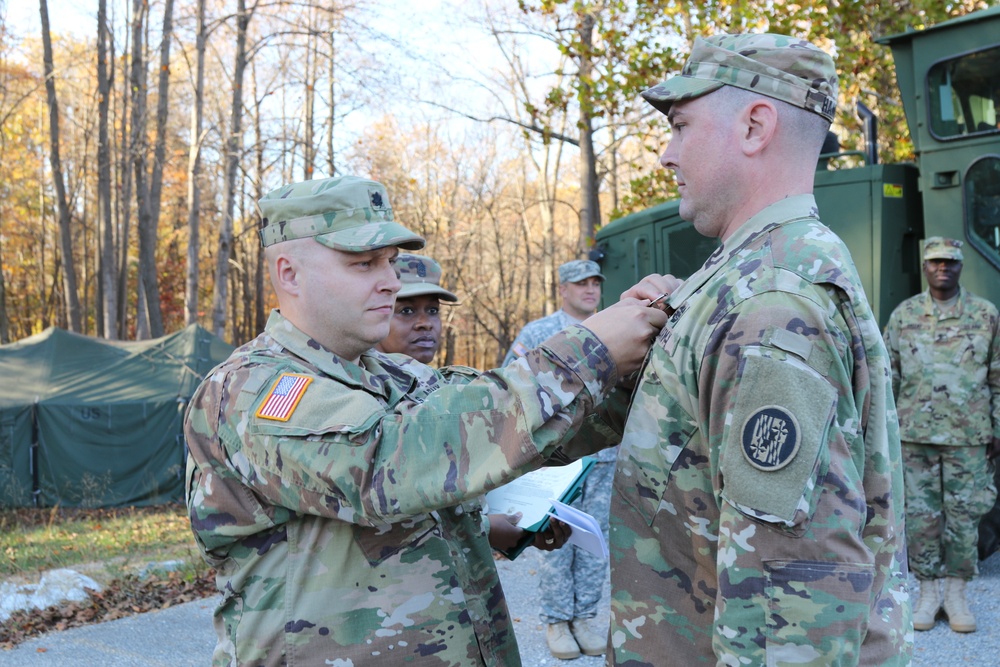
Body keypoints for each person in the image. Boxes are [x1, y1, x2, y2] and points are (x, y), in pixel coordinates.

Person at [183, 174, 667, 667]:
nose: (390, 281)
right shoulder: (251, 391)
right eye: (364, 263)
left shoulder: (396, 373)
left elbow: (519, 430)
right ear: (289, 274)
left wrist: (647, 352)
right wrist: (591, 350)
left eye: (390, 262)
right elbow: (391, 463)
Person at [607, 34, 912, 665]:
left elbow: (788, 607)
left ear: (754, 125)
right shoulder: (756, 273)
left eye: (681, 126)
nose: (667, 154)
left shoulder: (771, 303)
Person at [374, 251, 567, 553]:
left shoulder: (448, 388)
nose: (425, 323)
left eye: (433, 311)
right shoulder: (365, 396)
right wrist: (486, 530)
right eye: (407, 311)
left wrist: (526, 522)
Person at [883, 236, 1000, 633]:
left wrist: (998, 428)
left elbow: (999, 378)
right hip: (915, 436)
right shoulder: (905, 315)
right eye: (935, 262)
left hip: (969, 436)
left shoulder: (985, 315)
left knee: (966, 518)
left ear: (960, 266)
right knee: (920, 520)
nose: (942, 268)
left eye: (950, 262)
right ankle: (929, 592)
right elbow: (889, 377)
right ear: (925, 267)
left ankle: (956, 593)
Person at [503, 259, 615, 660]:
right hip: (557, 461)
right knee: (555, 540)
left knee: (594, 539)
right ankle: (556, 622)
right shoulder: (539, 333)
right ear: (562, 289)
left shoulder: (613, 330)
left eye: (594, 283)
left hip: (603, 458)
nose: (589, 289)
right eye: (579, 283)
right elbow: (510, 386)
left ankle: (585, 618)